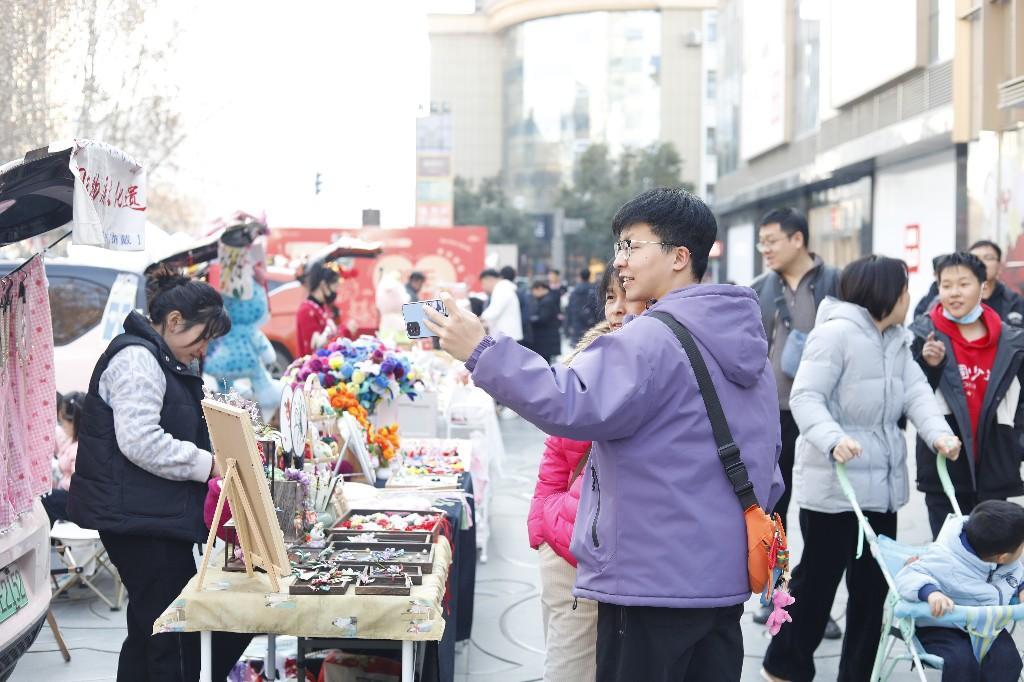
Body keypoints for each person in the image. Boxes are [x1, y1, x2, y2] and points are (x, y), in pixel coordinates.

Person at [424, 187, 784, 682]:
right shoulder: (744, 339)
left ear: (679, 257)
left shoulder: (651, 337)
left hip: (650, 582)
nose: (620, 262)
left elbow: (567, 400)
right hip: (722, 584)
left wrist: (481, 350)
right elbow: (769, 459)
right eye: (619, 247)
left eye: (633, 246)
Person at [761, 255, 961, 682]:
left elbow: (918, 395)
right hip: (837, 488)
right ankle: (783, 668)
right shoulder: (834, 335)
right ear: (887, 294)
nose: (909, 298)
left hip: (883, 489)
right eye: (905, 290)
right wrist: (834, 439)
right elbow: (806, 398)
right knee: (815, 586)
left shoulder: (897, 339)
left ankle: (858, 674)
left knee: (873, 592)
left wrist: (939, 435)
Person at [67, 267, 252, 681]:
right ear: (173, 321)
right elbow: (141, 441)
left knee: (151, 625)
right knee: (167, 630)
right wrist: (210, 464)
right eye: (201, 337)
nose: (203, 349)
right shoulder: (137, 359)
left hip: (146, 513)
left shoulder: (158, 356)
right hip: (137, 518)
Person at [528, 263, 647, 682]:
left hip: (631, 551)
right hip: (571, 544)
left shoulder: (655, 365)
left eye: (626, 296)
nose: (616, 309)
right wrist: (541, 526)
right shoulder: (585, 362)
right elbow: (555, 459)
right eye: (610, 298)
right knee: (569, 664)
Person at [750, 207, 842, 635]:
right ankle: (775, 592)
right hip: (776, 414)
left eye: (771, 240)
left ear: (798, 239)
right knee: (776, 508)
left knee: (823, 512)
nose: (764, 248)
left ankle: (816, 605)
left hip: (826, 415)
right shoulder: (758, 291)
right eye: (761, 241)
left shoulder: (837, 284)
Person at [910, 252, 1024, 538]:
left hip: (995, 469)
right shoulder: (924, 337)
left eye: (963, 284)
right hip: (945, 471)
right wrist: (929, 366)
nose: (953, 293)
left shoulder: (1011, 342)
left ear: (983, 287)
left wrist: (1016, 446)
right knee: (950, 558)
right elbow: (910, 398)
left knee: (993, 559)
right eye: (946, 285)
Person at [895, 500, 1024, 682]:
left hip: (986, 626)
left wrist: (1021, 587)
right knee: (961, 663)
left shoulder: (1006, 561)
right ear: (1002, 557)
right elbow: (908, 575)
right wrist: (932, 593)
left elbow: (1015, 574)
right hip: (942, 628)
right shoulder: (942, 557)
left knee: (1008, 660)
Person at [914, 240, 1024, 326]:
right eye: (975, 258)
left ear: (1000, 266)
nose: (982, 262)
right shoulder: (941, 299)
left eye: (988, 258)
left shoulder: (1015, 302)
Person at [42, 391, 85, 525]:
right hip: (69, 495)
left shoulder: (79, 447)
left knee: (43, 499)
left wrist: (59, 482)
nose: (61, 424)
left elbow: (80, 484)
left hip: (76, 501)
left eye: (62, 421)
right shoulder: (73, 441)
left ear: (73, 422)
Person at [296, 261, 341, 357]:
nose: (336, 292)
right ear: (323, 285)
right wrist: (344, 331)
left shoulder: (323, 307)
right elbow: (315, 347)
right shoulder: (306, 311)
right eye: (335, 287)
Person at [480, 268, 523, 342]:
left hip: (507, 337)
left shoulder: (501, 288)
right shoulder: (504, 288)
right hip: (508, 337)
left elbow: (493, 312)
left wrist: (477, 320)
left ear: (489, 279)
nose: (483, 287)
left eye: (483, 283)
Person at [528, 280, 562, 364]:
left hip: (546, 339)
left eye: (534, 291)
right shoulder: (547, 299)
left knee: (545, 362)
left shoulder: (547, 301)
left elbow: (543, 318)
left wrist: (531, 319)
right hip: (546, 339)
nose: (533, 294)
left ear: (540, 289)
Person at [565, 268, 599, 346]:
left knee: (578, 352)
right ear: (589, 276)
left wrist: (567, 327)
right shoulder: (594, 290)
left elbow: (569, 310)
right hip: (592, 325)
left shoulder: (574, 292)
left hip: (577, 326)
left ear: (580, 277)